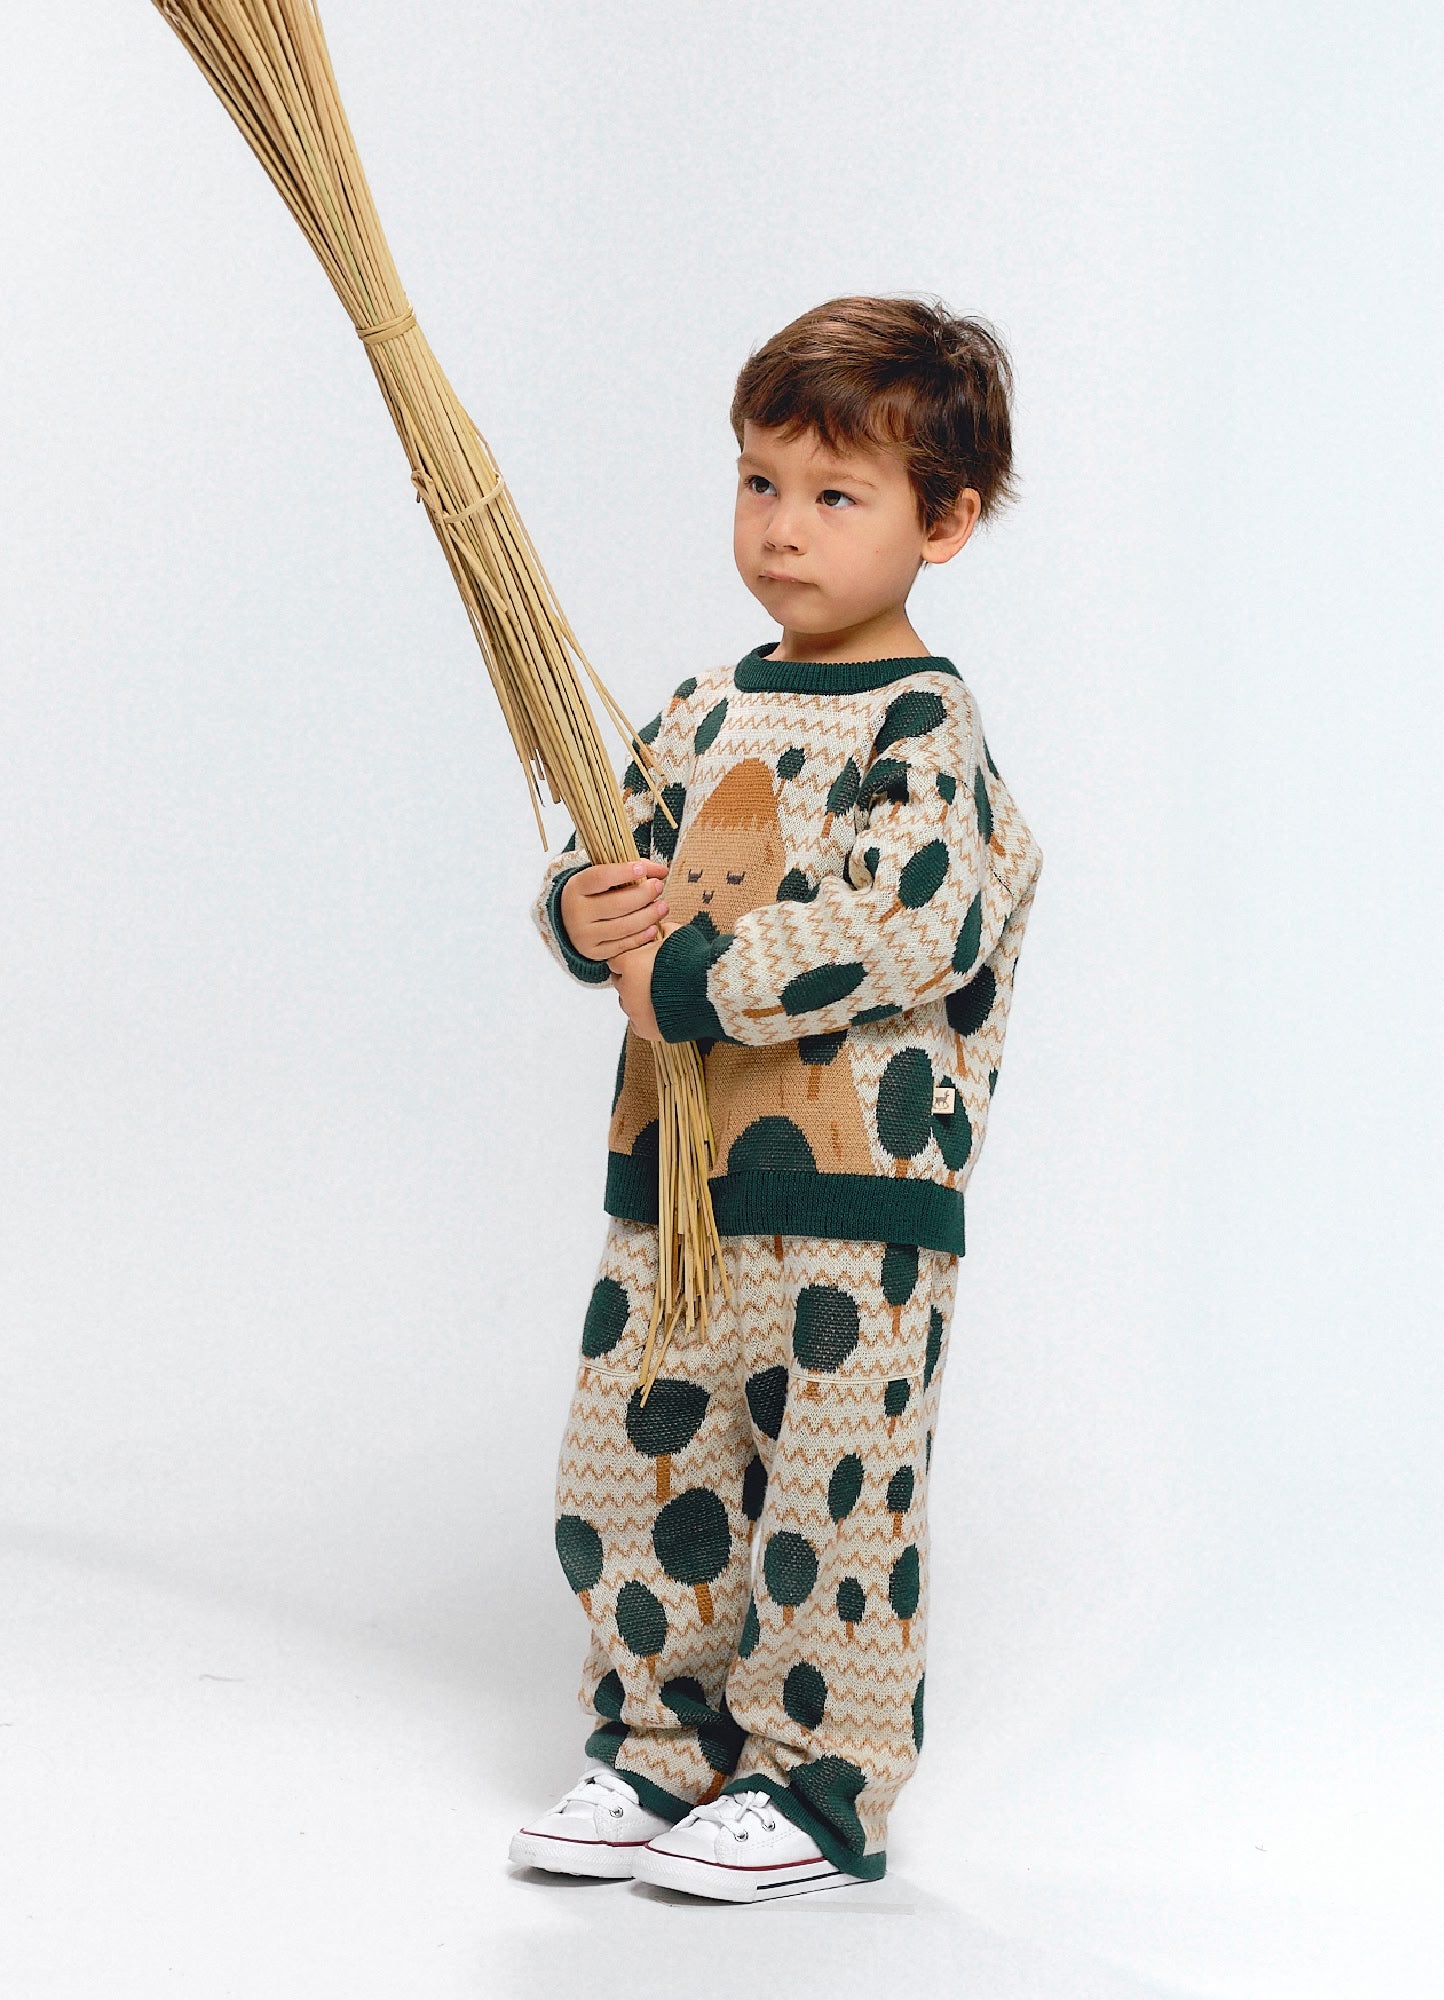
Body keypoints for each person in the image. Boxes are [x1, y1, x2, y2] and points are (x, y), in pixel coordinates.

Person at [508, 294, 1044, 1902]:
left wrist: (689, 973)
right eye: (758, 483)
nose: (783, 530)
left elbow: (908, 920)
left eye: (835, 495)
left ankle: (821, 1784)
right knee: (637, 1458)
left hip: (855, 1212)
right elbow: (618, 855)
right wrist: (580, 914)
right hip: (673, 1181)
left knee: (834, 1488)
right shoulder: (698, 706)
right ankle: (656, 1746)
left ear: (943, 523)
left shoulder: (924, 730)